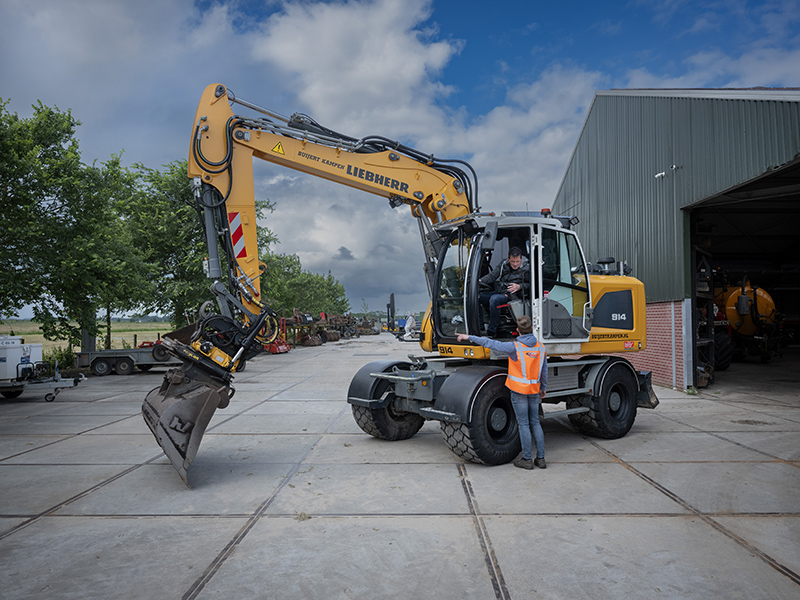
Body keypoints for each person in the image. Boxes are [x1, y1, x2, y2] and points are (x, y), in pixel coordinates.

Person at [457, 315, 547, 470]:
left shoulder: (515, 347)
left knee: (524, 424)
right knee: (535, 422)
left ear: (518, 331)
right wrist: (543, 388)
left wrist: (468, 337)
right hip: (534, 390)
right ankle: (541, 459)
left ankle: (527, 460)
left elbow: (490, 343)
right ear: (531, 329)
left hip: (519, 392)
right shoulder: (541, 347)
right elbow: (544, 371)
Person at [479, 246, 530, 337]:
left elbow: (533, 284)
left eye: (517, 261)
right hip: (500, 291)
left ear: (521, 259)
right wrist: (479, 281)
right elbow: (492, 276)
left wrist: (520, 286)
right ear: (508, 259)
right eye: (512, 261)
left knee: (494, 299)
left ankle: (491, 331)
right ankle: (480, 327)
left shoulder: (527, 268)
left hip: (513, 295)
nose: (515, 264)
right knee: (478, 297)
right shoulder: (503, 264)